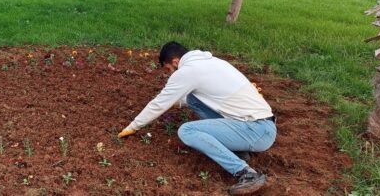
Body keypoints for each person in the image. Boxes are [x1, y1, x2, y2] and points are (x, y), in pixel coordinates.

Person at [117, 41, 276, 195]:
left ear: (175, 61)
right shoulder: (211, 62)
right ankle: (238, 148)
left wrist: (133, 127)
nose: (171, 73)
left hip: (257, 130)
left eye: (169, 69)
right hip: (259, 124)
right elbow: (183, 98)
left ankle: (246, 173)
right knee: (193, 99)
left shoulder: (187, 71)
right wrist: (173, 101)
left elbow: (158, 104)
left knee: (187, 131)